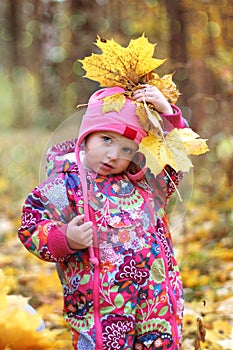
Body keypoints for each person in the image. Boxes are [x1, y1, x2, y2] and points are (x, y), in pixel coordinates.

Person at [18, 84, 187, 350]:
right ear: (86, 136)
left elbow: (177, 160)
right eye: (106, 140)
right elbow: (32, 227)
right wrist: (66, 238)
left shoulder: (145, 183)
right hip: (100, 308)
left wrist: (169, 115)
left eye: (127, 150)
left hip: (157, 301)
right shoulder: (64, 185)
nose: (113, 155)